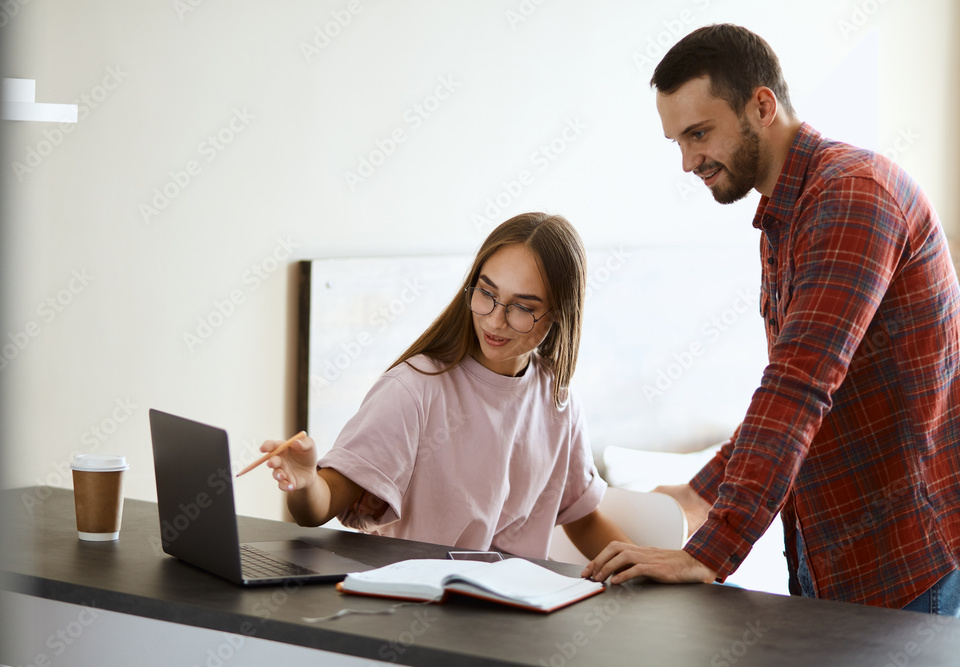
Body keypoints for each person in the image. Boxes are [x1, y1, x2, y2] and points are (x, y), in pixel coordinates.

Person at [584, 24, 960, 615]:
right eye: (676, 142)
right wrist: (694, 494)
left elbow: (798, 386)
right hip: (826, 556)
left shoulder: (852, 196)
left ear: (762, 106)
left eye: (699, 134)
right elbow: (794, 394)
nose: (687, 162)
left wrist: (708, 551)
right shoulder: (785, 215)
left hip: (902, 564)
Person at [259, 212, 629, 560]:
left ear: (561, 315)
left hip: (519, 612)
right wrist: (306, 483)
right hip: (424, 607)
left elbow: (581, 517)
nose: (495, 320)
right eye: (486, 293)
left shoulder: (557, 399)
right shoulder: (414, 389)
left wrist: (653, 570)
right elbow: (320, 507)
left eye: (522, 307)